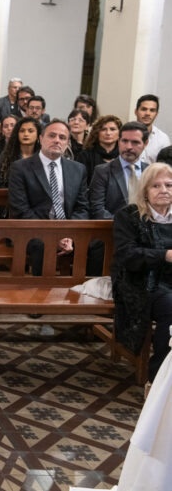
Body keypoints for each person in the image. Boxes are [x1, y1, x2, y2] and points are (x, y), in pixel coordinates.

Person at [112, 162, 172, 393]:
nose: (164, 190)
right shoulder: (129, 216)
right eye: (156, 185)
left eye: (169, 185)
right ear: (145, 190)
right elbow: (127, 255)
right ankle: (157, 383)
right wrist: (164, 255)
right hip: (141, 283)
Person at [8, 119, 89, 276]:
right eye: (52, 135)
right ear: (41, 139)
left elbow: (82, 207)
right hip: (34, 229)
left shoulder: (78, 169)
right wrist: (51, 236)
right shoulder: (20, 168)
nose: (57, 140)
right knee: (42, 245)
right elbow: (21, 209)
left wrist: (70, 235)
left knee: (97, 244)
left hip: (69, 230)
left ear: (67, 143)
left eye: (62, 137)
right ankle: (40, 289)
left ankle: (85, 289)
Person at [90, 121, 148, 219]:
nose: (129, 147)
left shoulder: (151, 172)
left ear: (145, 144)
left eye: (135, 142)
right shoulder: (102, 172)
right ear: (118, 141)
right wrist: (121, 225)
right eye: (124, 141)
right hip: (112, 226)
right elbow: (97, 209)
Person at [0, 117, 39, 188]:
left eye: (30, 131)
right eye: (22, 131)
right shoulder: (7, 154)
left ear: (38, 135)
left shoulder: (44, 155)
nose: (26, 134)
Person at [76, 115, 122, 184]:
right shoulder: (85, 155)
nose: (108, 133)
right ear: (97, 132)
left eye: (112, 129)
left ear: (120, 133)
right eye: (103, 129)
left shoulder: (124, 155)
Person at [135, 94, 169, 163]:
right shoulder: (124, 134)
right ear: (136, 111)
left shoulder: (163, 139)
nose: (147, 113)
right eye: (144, 109)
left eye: (152, 110)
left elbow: (165, 166)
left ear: (156, 114)